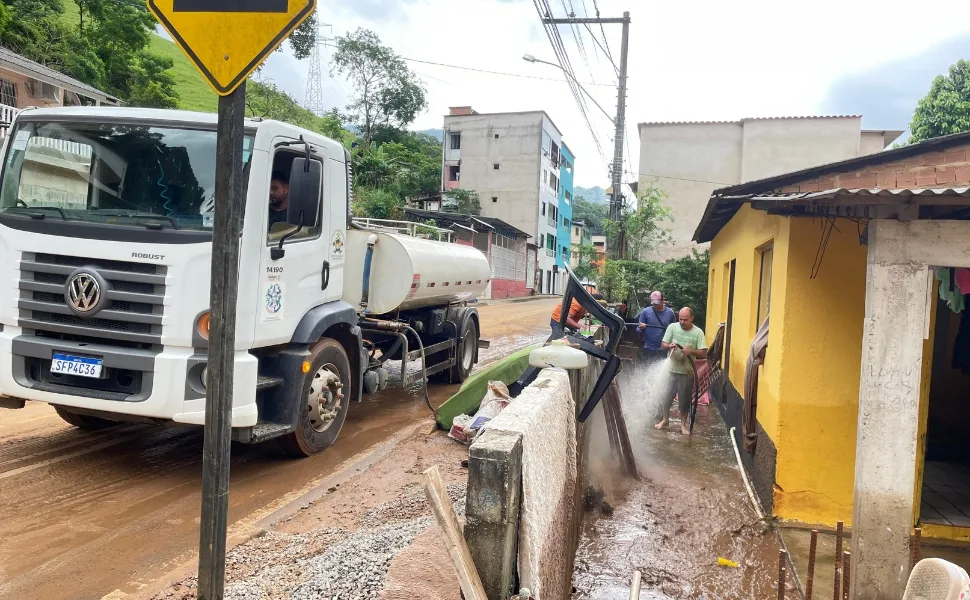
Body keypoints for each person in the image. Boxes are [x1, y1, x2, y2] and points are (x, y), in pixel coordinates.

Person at [657, 307, 708, 435]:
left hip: (686, 372)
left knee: (684, 400)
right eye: (680, 319)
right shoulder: (672, 327)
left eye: (685, 319)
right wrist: (669, 346)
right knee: (666, 396)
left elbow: (703, 352)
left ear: (692, 318)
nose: (682, 322)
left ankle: (683, 425)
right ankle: (665, 420)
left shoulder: (698, 333)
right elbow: (663, 345)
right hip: (670, 369)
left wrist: (691, 351)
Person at [637, 291, 676, 366]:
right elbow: (638, 330)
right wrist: (642, 328)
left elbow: (673, 330)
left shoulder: (670, 313)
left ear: (662, 300)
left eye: (657, 303)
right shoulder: (645, 312)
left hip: (663, 349)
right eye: (653, 303)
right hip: (649, 348)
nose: (655, 305)